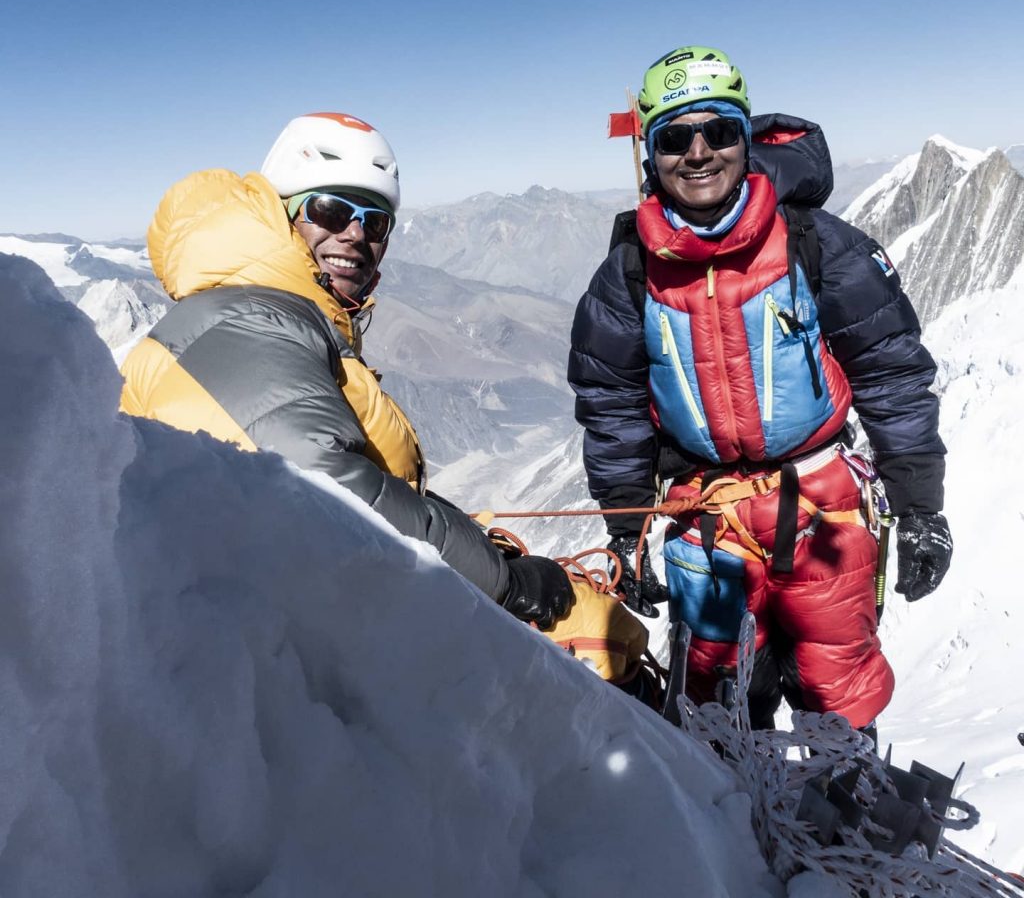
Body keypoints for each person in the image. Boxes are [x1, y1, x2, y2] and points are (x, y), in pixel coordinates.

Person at [568, 48, 953, 730]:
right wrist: (626, 531)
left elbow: (890, 370)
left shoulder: (814, 242)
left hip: (820, 510)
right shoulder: (629, 274)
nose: (698, 152)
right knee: (717, 702)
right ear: (650, 155)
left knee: (837, 688)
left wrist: (919, 506)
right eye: (673, 138)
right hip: (708, 518)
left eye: (717, 132)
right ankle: (732, 823)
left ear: (747, 139)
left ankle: (841, 805)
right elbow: (613, 407)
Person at [120, 111, 573, 630]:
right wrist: (505, 584)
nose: (355, 233)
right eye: (330, 210)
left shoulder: (286, 316)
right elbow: (324, 487)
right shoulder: (245, 321)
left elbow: (371, 479)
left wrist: (479, 548)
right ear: (282, 214)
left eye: (375, 221)